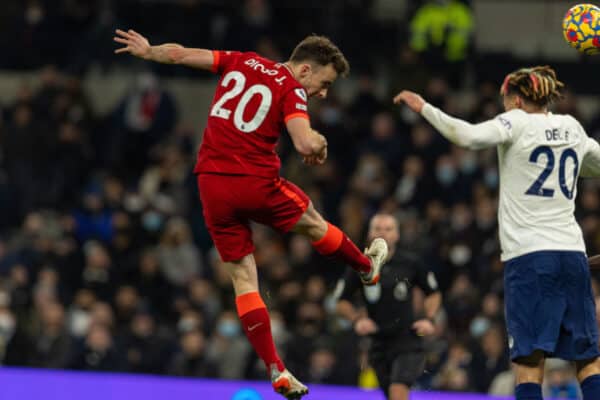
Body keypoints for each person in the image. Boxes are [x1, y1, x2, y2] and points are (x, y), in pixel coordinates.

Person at [113, 29, 388, 398]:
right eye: (324, 84)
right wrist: (320, 144)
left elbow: (179, 55)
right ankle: (367, 268)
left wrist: (148, 51)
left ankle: (276, 368)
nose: (323, 93)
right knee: (313, 221)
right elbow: (305, 142)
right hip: (252, 181)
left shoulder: (241, 59)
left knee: (243, 279)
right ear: (305, 70)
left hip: (210, 183)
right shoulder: (291, 88)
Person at [393, 65, 600, 400]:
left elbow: (467, 136)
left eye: (505, 100)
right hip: (574, 256)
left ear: (516, 100)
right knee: (588, 359)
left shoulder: (516, 121)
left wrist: (425, 108)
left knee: (529, 362)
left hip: (531, 258)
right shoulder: (572, 126)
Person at [336, 213, 441, 400]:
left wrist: (429, 319)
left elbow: (433, 293)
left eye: (388, 229)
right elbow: (341, 301)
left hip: (407, 340)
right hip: (378, 343)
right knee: (391, 394)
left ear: (397, 235)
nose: (383, 233)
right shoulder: (360, 264)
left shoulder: (411, 263)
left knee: (397, 389)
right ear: (369, 234)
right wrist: (357, 319)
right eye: (377, 228)